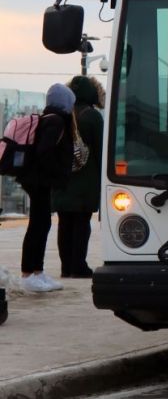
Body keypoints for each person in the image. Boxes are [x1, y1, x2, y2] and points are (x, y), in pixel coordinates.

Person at [18, 83, 75, 292]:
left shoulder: (49, 119)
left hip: (36, 180)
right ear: (65, 102)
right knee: (38, 225)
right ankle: (28, 273)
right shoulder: (57, 121)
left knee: (41, 224)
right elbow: (45, 151)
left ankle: (37, 272)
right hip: (39, 181)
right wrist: (56, 173)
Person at [53, 76, 104, 278]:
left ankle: (66, 268)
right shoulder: (92, 116)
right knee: (81, 225)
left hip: (61, 181)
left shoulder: (62, 113)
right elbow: (101, 152)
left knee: (64, 225)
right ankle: (78, 266)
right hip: (85, 184)